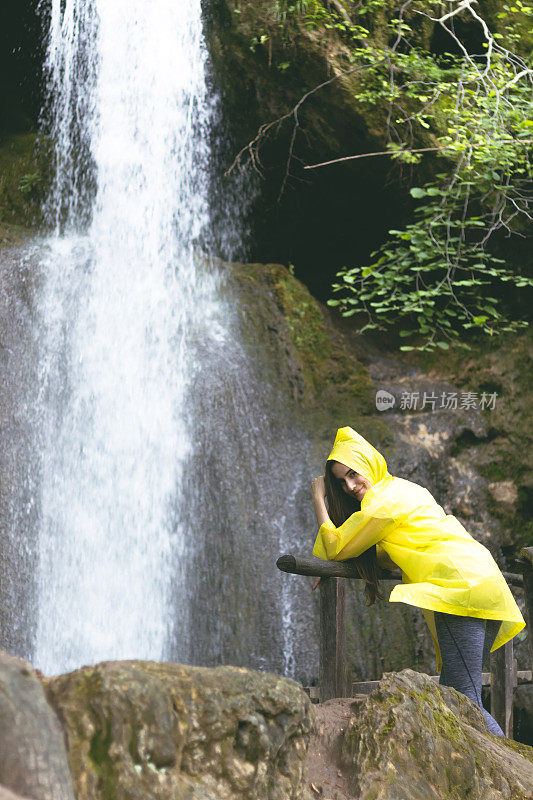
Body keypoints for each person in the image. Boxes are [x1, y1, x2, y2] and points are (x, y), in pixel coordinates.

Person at [311, 426, 526, 737]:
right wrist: (339, 559)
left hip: (458, 589)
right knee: (463, 696)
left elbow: (335, 545)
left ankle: (517, 777)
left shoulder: (381, 503)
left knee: (464, 699)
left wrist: (319, 497)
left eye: (353, 474)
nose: (349, 486)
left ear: (369, 462)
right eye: (341, 482)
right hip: (482, 583)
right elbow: (386, 551)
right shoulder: (402, 490)